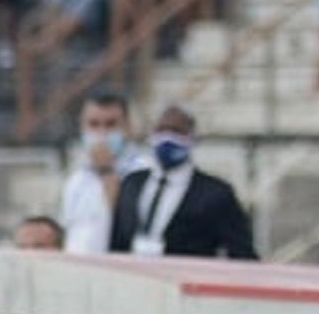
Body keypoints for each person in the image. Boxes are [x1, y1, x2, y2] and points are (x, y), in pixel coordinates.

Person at [107, 105, 256, 259]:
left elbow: (241, 252)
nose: (167, 138)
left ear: (192, 138)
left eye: (176, 131)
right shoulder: (132, 183)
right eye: (161, 130)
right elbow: (117, 240)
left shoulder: (216, 194)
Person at [59, 92, 151, 255]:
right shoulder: (78, 179)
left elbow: (127, 224)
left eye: (111, 124)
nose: (102, 132)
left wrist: (107, 170)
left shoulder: (144, 171)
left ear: (127, 127)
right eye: (94, 124)